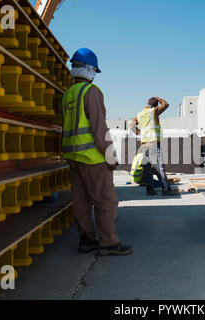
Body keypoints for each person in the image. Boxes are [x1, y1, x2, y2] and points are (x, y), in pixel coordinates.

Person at [61, 48, 133, 256]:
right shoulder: (91, 92)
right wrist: (110, 157)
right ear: (89, 70)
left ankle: (87, 240)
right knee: (106, 201)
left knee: (81, 202)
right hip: (93, 159)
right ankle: (109, 243)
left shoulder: (67, 95)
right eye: (94, 70)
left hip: (73, 157)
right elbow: (100, 129)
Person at [133, 97, 178, 196]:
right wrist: (159, 98)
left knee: (147, 167)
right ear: (155, 105)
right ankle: (166, 189)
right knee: (159, 166)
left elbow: (131, 125)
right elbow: (166, 105)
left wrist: (139, 132)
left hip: (144, 143)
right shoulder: (153, 111)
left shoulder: (139, 114)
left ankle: (149, 190)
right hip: (153, 142)